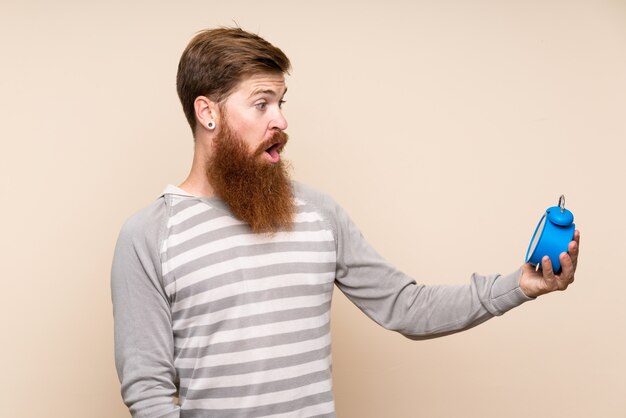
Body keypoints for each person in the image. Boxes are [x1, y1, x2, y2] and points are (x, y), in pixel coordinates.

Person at [111, 27, 579, 418]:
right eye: (261, 104)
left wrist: (519, 285)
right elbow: (149, 393)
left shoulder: (318, 213)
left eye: (282, 101)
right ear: (207, 112)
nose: (282, 120)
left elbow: (406, 306)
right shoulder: (149, 236)